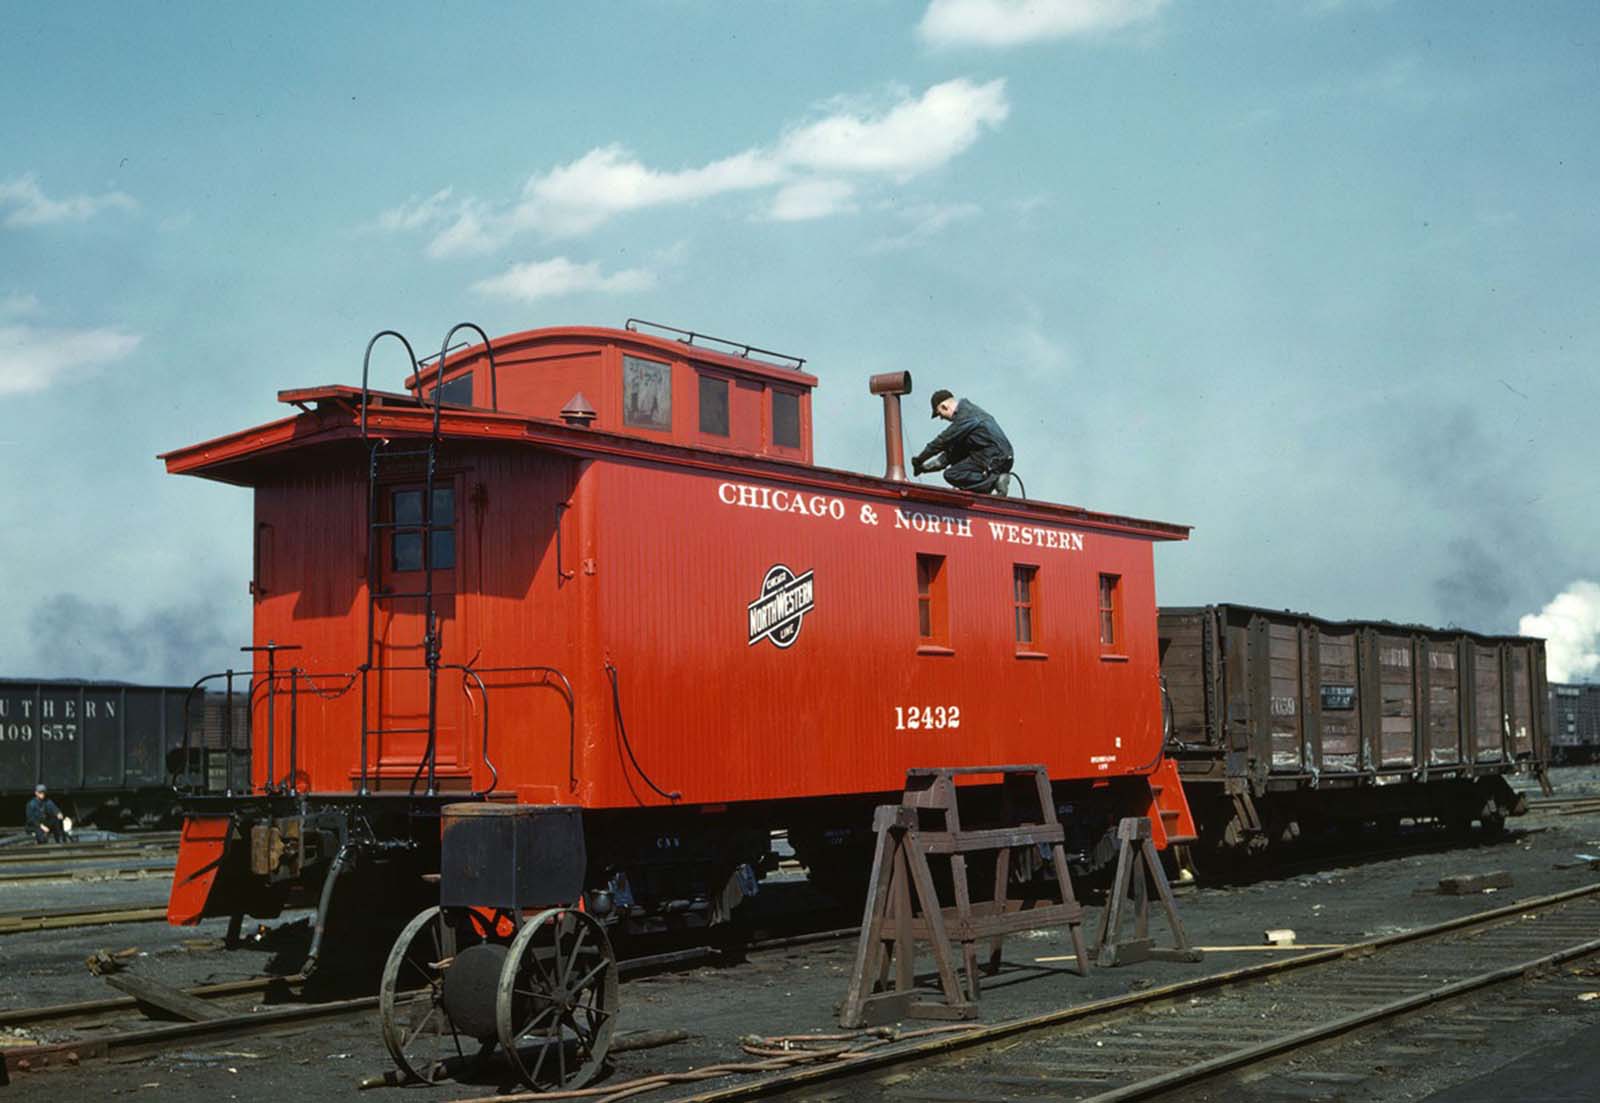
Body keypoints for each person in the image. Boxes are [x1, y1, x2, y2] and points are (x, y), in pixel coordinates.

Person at [912, 389, 1014, 495]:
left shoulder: (966, 415)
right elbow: (948, 456)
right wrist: (923, 468)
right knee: (954, 465)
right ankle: (991, 482)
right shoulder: (967, 421)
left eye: (940, 414)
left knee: (953, 474)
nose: (941, 418)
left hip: (994, 456)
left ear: (944, 407)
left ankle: (993, 480)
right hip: (993, 455)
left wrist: (920, 459)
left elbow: (942, 441)